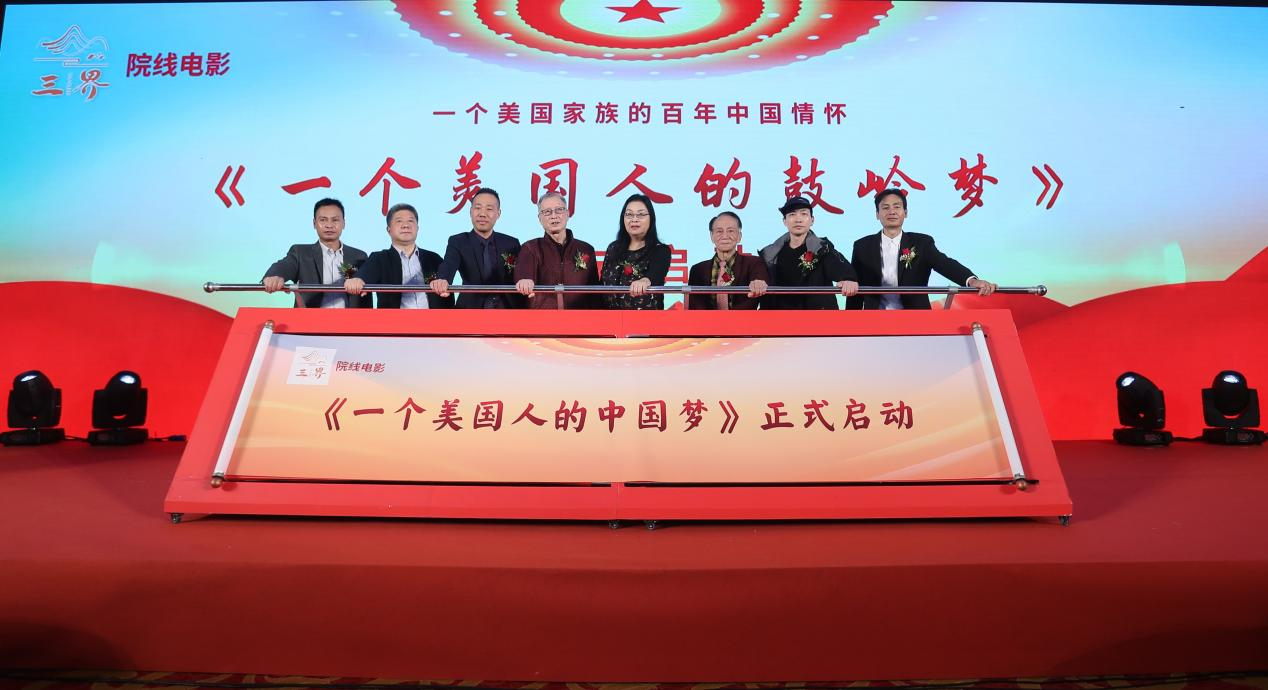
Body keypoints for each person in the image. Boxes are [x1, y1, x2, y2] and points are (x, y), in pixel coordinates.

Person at [846, 188, 997, 310]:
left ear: (905, 213)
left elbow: (945, 264)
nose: (891, 212)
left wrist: (972, 281)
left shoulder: (921, 243)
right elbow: (854, 285)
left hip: (916, 318)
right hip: (875, 319)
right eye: (885, 208)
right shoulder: (862, 246)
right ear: (877, 214)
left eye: (897, 207)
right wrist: (850, 322)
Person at [261, 198, 371, 308]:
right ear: (314, 223)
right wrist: (274, 276)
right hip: (311, 318)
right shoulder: (301, 253)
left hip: (350, 318)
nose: (329, 225)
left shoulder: (358, 256)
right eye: (323, 220)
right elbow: (285, 266)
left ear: (344, 223)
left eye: (335, 220)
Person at [758, 196, 859, 310]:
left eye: (804, 214)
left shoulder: (822, 248)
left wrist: (848, 279)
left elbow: (840, 267)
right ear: (784, 221)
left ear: (812, 220)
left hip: (816, 316)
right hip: (779, 316)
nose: (798, 220)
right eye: (792, 214)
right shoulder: (770, 253)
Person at [428, 188, 522, 309]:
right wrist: (442, 280)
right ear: (471, 211)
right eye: (478, 208)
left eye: (489, 209)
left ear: (498, 214)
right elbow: (448, 266)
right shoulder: (458, 241)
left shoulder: (511, 243)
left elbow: (521, 273)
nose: (482, 214)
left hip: (507, 310)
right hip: (469, 310)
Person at [344, 203, 451, 309]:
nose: (406, 225)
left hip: (433, 319)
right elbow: (364, 276)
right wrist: (357, 280)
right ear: (389, 229)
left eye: (410, 221)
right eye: (399, 221)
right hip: (394, 319)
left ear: (417, 228)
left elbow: (446, 289)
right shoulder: (379, 258)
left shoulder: (433, 258)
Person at [513, 193, 600, 309]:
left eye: (559, 210)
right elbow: (523, 275)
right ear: (539, 218)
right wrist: (524, 282)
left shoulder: (586, 249)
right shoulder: (530, 248)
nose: (553, 216)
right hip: (542, 317)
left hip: (580, 317)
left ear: (568, 214)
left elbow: (595, 293)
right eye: (547, 212)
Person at [599, 194, 672, 310]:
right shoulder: (613, 248)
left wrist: (644, 281)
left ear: (651, 218)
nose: (634, 219)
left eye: (641, 214)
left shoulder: (660, 250)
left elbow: (655, 275)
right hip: (609, 318)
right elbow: (602, 285)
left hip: (645, 319)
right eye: (629, 214)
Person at [687, 211, 768, 310]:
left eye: (730, 231)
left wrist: (758, 284)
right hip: (706, 320)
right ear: (712, 236)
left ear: (739, 236)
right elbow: (694, 305)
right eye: (719, 231)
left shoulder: (754, 263)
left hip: (743, 319)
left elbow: (760, 280)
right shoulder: (697, 269)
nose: (725, 236)